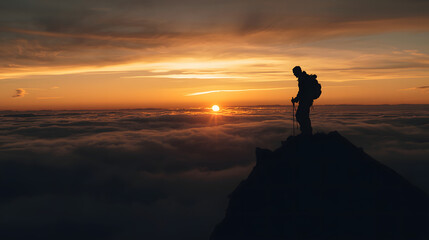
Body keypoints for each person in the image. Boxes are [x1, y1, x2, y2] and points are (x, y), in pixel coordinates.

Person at [291, 66, 315, 135]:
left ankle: (306, 133)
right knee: (304, 116)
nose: (294, 74)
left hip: (305, 101)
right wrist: (297, 99)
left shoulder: (303, 79)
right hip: (307, 100)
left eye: (294, 73)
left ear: (298, 71)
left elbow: (302, 92)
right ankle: (307, 132)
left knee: (300, 116)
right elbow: (302, 92)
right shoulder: (304, 78)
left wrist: (296, 99)